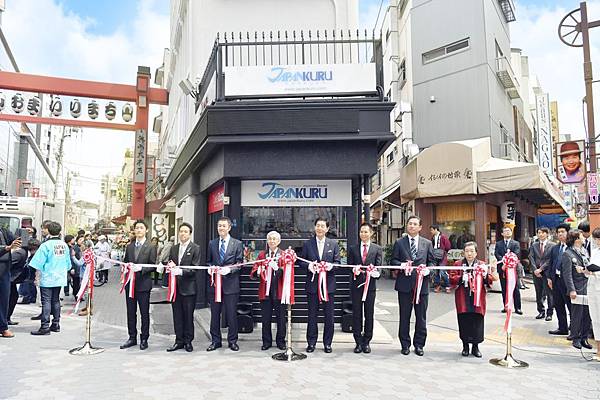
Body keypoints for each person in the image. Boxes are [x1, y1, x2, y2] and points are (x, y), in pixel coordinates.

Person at [391, 215, 435, 356]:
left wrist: (428, 270)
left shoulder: (427, 243)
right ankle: (405, 344)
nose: (412, 226)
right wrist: (402, 265)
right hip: (404, 286)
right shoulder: (399, 242)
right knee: (404, 316)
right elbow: (392, 261)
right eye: (410, 223)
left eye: (415, 224)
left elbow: (432, 262)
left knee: (421, 317)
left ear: (420, 227)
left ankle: (419, 344)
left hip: (421, 286)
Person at [300, 217, 340, 354]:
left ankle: (327, 343)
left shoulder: (333, 244)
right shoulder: (308, 244)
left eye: (323, 226)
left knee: (329, 316)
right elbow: (301, 262)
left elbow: (338, 263)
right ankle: (311, 343)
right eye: (318, 225)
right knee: (312, 315)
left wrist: (330, 267)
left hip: (328, 286)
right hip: (312, 285)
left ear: (327, 229)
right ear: (314, 227)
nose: (320, 228)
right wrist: (309, 265)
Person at [449, 242, 495, 358]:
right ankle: (465, 346)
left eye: (472, 251)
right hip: (462, 297)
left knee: (477, 321)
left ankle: (476, 346)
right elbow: (452, 279)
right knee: (464, 320)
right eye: (467, 251)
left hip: (478, 298)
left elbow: (490, 280)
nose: (469, 254)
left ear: (476, 253)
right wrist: (461, 278)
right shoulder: (458, 264)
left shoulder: (481, 264)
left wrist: (485, 275)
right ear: (463, 252)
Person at [160, 222, 200, 353]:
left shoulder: (195, 248)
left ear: (190, 234)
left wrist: (181, 272)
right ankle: (179, 341)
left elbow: (195, 268)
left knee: (188, 316)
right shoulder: (174, 248)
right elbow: (170, 263)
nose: (183, 234)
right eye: (181, 231)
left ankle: (188, 341)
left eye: (185, 232)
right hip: (175, 288)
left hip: (189, 288)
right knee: (177, 315)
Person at [206, 216, 244, 352]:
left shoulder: (237, 244)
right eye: (219, 226)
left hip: (231, 285)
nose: (221, 228)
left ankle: (232, 341)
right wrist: (210, 268)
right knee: (215, 314)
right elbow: (208, 261)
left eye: (223, 226)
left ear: (229, 227)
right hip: (215, 284)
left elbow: (240, 264)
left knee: (231, 314)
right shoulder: (212, 243)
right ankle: (215, 341)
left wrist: (230, 270)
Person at [119, 220, 157, 350]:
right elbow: (125, 262)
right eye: (137, 228)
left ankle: (144, 338)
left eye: (141, 228)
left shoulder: (151, 246)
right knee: (131, 312)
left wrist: (141, 269)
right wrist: (125, 269)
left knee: (144, 312)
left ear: (146, 230)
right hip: (130, 284)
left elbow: (153, 266)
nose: (139, 230)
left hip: (143, 284)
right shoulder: (130, 246)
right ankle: (132, 337)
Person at [29, 222, 72, 336]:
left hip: (48, 277)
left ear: (48, 231)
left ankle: (44, 326)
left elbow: (37, 263)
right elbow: (68, 264)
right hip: (59, 277)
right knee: (56, 300)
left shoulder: (45, 245)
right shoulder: (64, 245)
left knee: (46, 301)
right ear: (59, 231)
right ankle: (56, 324)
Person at [348, 223, 382, 354]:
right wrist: (354, 270)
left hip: (370, 287)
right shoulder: (353, 248)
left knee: (369, 314)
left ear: (371, 233)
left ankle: (367, 341)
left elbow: (379, 267)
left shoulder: (377, 249)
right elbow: (349, 267)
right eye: (361, 231)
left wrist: (374, 273)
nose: (363, 234)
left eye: (366, 232)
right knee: (357, 314)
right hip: (356, 286)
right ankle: (357, 341)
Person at [250, 230, 286, 351]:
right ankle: (266, 341)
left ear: (279, 241)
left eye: (274, 239)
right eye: (270, 239)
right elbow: (254, 269)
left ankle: (281, 341)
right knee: (266, 318)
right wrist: (258, 272)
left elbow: (288, 272)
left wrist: (278, 269)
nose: (271, 241)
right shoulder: (261, 254)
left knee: (281, 317)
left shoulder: (284, 254)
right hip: (265, 290)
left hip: (279, 290)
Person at [562, 229, 593, 350]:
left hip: (587, 285)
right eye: (581, 237)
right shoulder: (568, 254)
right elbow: (567, 274)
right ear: (576, 239)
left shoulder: (584, 251)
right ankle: (575, 337)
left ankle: (584, 337)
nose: (584, 238)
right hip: (577, 287)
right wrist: (571, 290)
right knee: (577, 314)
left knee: (587, 314)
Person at [547, 223, 572, 336]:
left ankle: (574, 330)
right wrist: (549, 278)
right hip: (556, 280)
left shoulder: (572, 247)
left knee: (571, 306)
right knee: (558, 305)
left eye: (563, 232)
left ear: (568, 233)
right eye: (559, 232)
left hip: (568, 281)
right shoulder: (555, 248)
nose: (560, 234)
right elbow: (551, 263)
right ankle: (562, 328)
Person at [494, 226, 522, 314]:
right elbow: (497, 253)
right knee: (504, 288)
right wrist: (503, 262)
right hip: (502, 269)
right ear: (502, 233)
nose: (507, 232)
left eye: (509, 231)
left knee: (515, 288)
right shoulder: (498, 244)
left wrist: (507, 262)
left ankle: (518, 308)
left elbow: (516, 253)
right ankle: (506, 306)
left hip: (513, 269)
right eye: (505, 231)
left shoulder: (515, 243)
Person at [528, 227, 554, 321]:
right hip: (536, 273)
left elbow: (550, 259)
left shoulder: (552, 245)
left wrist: (541, 269)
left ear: (547, 234)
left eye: (543, 233)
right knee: (538, 293)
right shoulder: (534, 245)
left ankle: (549, 313)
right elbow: (531, 257)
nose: (541, 234)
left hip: (547, 273)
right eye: (539, 233)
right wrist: (535, 269)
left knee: (549, 293)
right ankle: (541, 311)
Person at [586, 227, 600, 360]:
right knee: (595, 319)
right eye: (595, 238)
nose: (596, 241)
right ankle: (598, 350)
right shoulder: (594, 251)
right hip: (592, 286)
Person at [430, 224, 451, 293]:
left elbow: (448, 246)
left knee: (442, 271)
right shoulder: (433, 237)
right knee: (436, 272)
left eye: (432, 230)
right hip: (435, 256)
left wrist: (443, 252)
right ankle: (437, 285)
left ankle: (448, 285)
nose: (431, 231)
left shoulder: (443, 237)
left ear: (436, 229)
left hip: (442, 256)